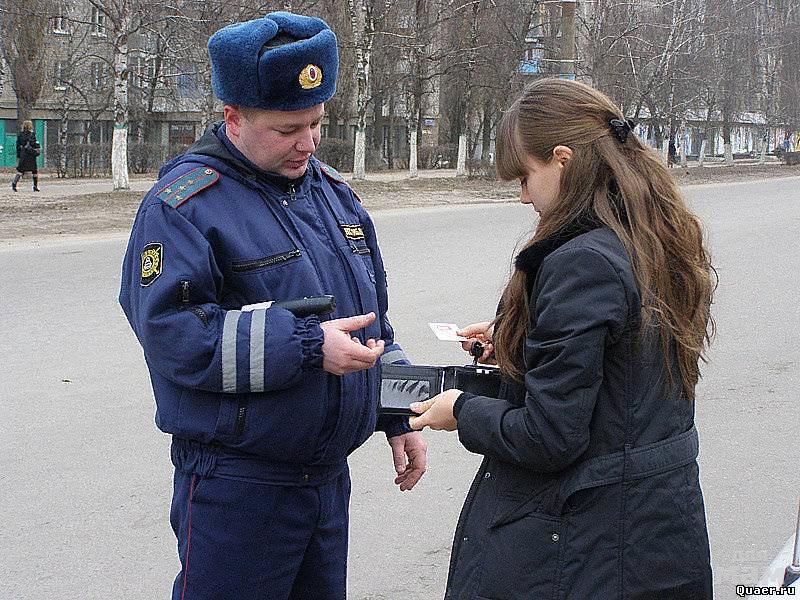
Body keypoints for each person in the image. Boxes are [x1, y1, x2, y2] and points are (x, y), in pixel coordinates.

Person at [119, 12, 427, 600]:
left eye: (316, 123)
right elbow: (172, 335)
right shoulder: (183, 206)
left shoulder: (332, 195)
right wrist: (308, 346)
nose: (307, 143)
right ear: (233, 117)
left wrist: (397, 414)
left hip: (325, 483)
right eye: (288, 129)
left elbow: (371, 323)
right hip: (238, 486)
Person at [409, 78, 715, 600]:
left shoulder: (582, 261)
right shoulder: (651, 234)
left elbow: (549, 436)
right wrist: (520, 341)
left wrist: (461, 410)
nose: (524, 196)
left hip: (588, 542)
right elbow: (626, 367)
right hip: (654, 527)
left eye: (526, 177)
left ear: (563, 160)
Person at [12, 120, 41, 192]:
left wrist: (19, 156)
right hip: (31, 155)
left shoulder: (20, 135)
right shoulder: (32, 134)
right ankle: (35, 186)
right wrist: (37, 148)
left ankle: (14, 184)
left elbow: (18, 146)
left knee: (20, 170)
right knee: (34, 171)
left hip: (23, 155)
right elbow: (34, 144)